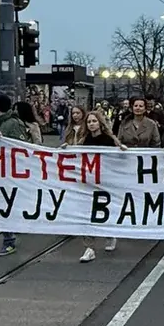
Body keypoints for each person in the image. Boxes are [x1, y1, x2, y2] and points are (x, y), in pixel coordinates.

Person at [64, 111, 127, 262]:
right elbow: (77, 155)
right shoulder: (84, 140)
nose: (91, 124)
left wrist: (123, 150)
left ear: (100, 123)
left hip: (105, 182)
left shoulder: (109, 139)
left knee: (105, 210)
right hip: (88, 182)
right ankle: (89, 247)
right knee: (87, 213)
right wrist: (67, 149)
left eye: (94, 121)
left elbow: (119, 157)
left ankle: (110, 234)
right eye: (89, 122)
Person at [0, 94, 30, 256]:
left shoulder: (13, 123)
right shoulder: (1, 122)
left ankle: (9, 241)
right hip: (0, 170)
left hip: (10, 173)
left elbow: (21, 146)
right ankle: (10, 236)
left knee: (7, 206)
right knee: (3, 206)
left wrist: (3, 138)